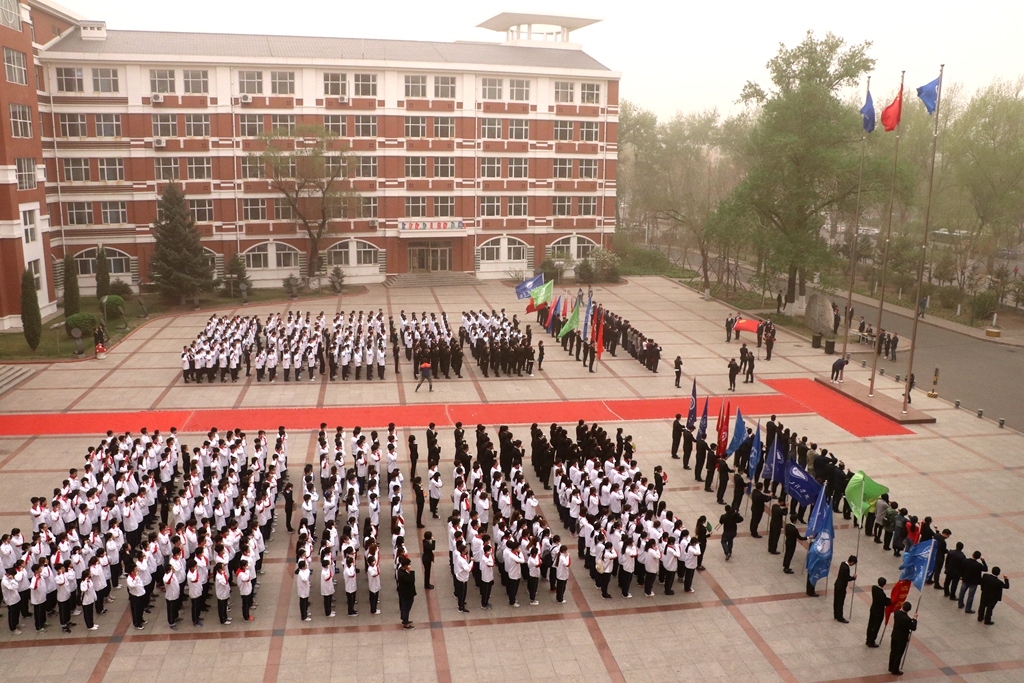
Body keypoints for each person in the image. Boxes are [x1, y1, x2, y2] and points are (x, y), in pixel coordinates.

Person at [889, 602, 917, 676]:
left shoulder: (896, 613)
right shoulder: (907, 619)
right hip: (902, 638)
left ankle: (891, 667)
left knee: (893, 651)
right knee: (898, 654)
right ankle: (895, 669)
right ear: (909, 610)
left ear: (902, 606)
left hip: (894, 635)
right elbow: (913, 627)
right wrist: (914, 619)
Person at [866, 577, 890, 647]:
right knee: (876, 627)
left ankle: (868, 639)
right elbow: (885, 602)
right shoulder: (882, 594)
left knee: (870, 625)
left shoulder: (874, 588)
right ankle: (871, 641)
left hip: (873, 609)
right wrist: (891, 601)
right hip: (879, 613)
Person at [834, 555, 857, 623]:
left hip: (837, 585)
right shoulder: (846, 568)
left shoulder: (843, 563)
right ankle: (840, 617)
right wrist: (853, 578)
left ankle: (836, 614)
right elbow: (847, 578)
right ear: (852, 562)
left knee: (836, 601)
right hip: (841, 587)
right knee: (840, 602)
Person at [397, 556, 417, 629]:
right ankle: (405, 623)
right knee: (406, 607)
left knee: (405, 607)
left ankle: (405, 619)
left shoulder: (401, 570)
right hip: (406, 593)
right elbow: (411, 580)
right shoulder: (403, 575)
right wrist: (411, 571)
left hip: (405, 592)